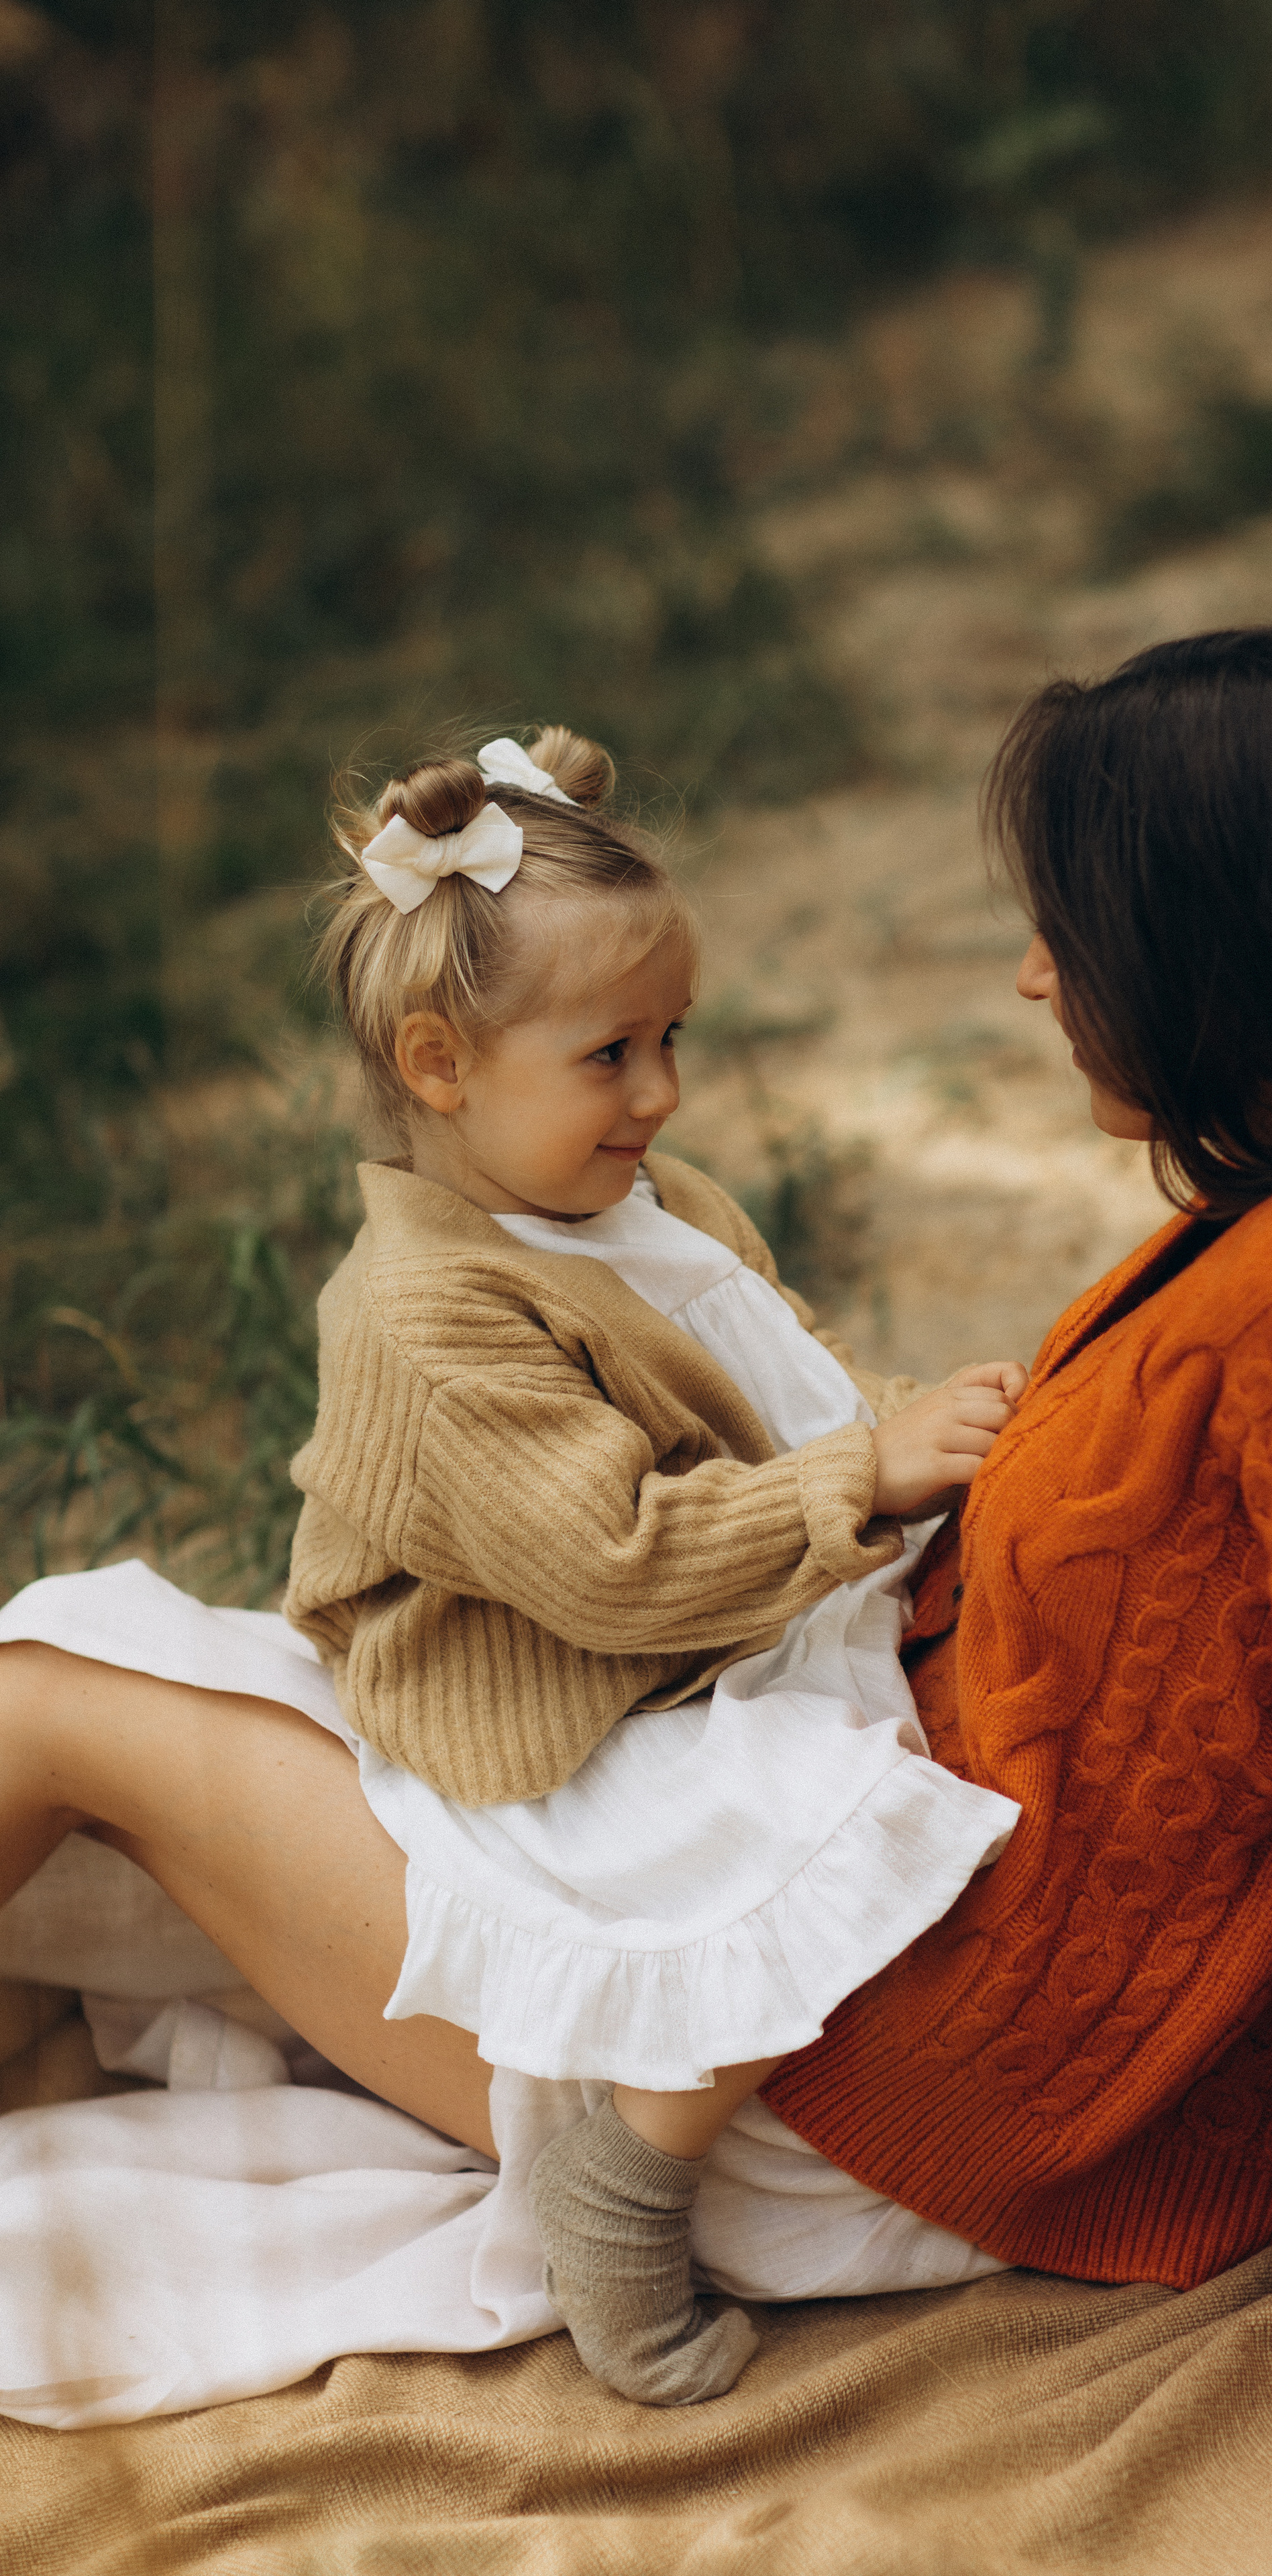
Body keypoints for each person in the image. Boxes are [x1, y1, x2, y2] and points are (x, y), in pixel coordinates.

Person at [0, 630, 1272, 2575]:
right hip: (906, 1905)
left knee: (52, 1690)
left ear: (1228, 950)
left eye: (1072, 926)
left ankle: (611, 2180)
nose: (1034, 976)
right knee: (163, 1686)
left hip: (866, 2058)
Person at [0, 727, 1024, 2409]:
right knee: (788, 1819)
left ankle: (620, 2156)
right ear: (439, 1065)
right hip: (570, 1692)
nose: (663, 1092)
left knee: (816, 1791)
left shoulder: (646, 1198)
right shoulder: (424, 1311)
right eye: (612, 1052)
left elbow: (780, 1381)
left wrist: (908, 1423)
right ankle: (618, 2188)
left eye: (671, 1038)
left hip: (715, 1629)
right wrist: (860, 1479)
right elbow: (610, 1562)